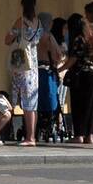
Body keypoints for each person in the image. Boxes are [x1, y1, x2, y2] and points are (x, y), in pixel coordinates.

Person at [4, 0, 46, 146]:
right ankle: (31, 136)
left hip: (21, 65)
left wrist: (16, 36)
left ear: (22, 4)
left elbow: (7, 40)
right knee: (31, 104)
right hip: (33, 65)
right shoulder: (40, 23)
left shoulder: (20, 22)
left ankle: (28, 137)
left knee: (19, 100)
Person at [63, 14, 93, 144]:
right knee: (92, 104)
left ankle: (79, 135)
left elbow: (74, 58)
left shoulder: (79, 39)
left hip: (81, 74)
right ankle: (90, 135)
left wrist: (61, 69)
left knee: (79, 104)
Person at [35, 11, 65, 142]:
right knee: (50, 98)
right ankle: (49, 125)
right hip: (47, 71)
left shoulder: (34, 34)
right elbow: (58, 55)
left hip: (34, 71)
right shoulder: (48, 36)